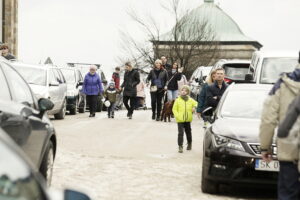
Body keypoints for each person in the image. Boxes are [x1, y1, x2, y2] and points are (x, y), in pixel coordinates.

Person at [259, 54, 300, 200]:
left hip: (290, 150)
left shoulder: (282, 85)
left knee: (288, 194)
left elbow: (268, 119)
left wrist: (265, 147)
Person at [172, 85, 198, 153]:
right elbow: (174, 109)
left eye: (185, 91)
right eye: (182, 90)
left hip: (188, 119)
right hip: (180, 120)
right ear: (180, 91)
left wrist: (194, 107)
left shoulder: (190, 100)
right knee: (180, 133)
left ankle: (189, 143)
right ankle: (180, 146)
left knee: (188, 132)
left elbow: (196, 103)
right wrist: (177, 116)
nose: (183, 92)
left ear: (188, 92)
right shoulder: (177, 100)